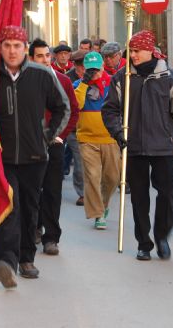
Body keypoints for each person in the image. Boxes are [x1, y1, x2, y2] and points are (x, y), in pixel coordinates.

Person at [0, 26, 69, 287]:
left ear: (25, 49)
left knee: (28, 209)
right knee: (7, 206)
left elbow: (63, 108)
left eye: (17, 46)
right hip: (0, 156)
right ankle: (5, 261)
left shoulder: (42, 74)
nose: (12, 51)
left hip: (35, 155)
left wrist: (46, 136)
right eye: (7, 46)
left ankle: (27, 259)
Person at [102, 30, 173, 261]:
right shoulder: (122, 78)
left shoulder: (168, 77)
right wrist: (117, 131)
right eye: (130, 51)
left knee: (167, 194)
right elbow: (110, 110)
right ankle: (144, 242)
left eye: (136, 51)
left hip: (164, 146)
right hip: (134, 147)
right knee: (139, 198)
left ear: (150, 50)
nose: (132, 55)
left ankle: (162, 235)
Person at [29, 39, 78, 256]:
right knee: (31, 190)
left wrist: (61, 135)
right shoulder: (23, 81)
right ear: (31, 58)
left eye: (47, 55)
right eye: (39, 56)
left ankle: (51, 237)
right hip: (30, 144)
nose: (45, 59)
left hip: (54, 143)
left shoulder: (63, 81)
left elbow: (73, 111)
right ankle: (33, 229)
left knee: (52, 191)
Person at [74, 51, 120, 230]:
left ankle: (104, 204)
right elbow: (75, 105)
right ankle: (98, 214)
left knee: (112, 178)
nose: (94, 72)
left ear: (103, 66)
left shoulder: (113, 83)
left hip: (110, 138)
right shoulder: (78, 85)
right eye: (90, 69)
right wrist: (85, 82)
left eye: (97, 68)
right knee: (93, 176)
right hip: (87, 139)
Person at [65, 49, 87, 205]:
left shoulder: (97, 75)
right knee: (79, 163)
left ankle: (95, 189)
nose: (82, 69)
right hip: (75, 129)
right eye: (79, 65)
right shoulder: (68, 79)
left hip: (94, 127)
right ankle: (83, 193)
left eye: (84, 65)